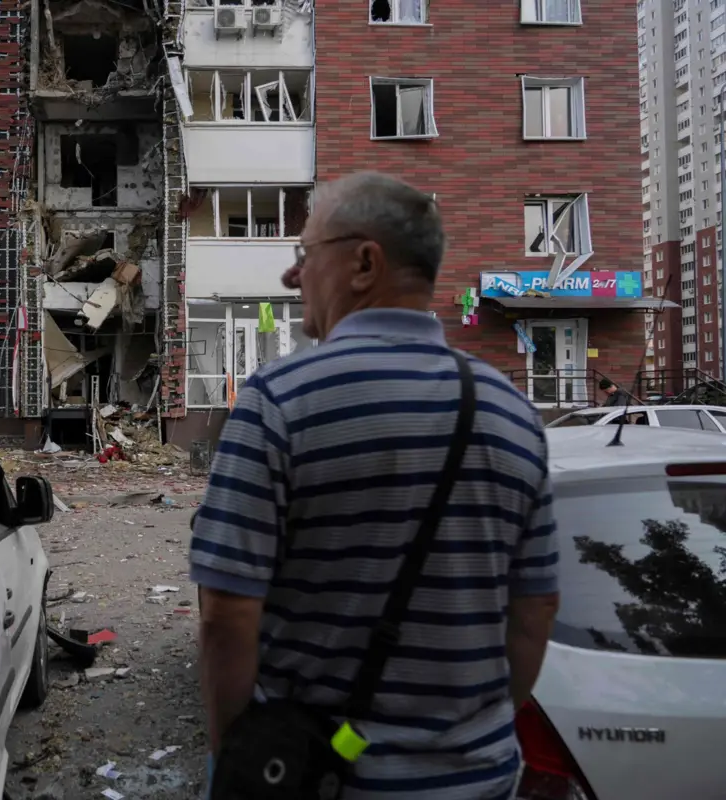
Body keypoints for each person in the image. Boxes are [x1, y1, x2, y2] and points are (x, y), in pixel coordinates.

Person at [191, 172, 560, 798]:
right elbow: (535, 611)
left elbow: (226, 616)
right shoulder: (514, 413)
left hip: (316, 780)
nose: (291, 276)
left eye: (305, 253)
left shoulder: (278, 402)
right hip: (477, 780)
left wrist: (243, 764)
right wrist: (461, 734)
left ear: (365, 263)